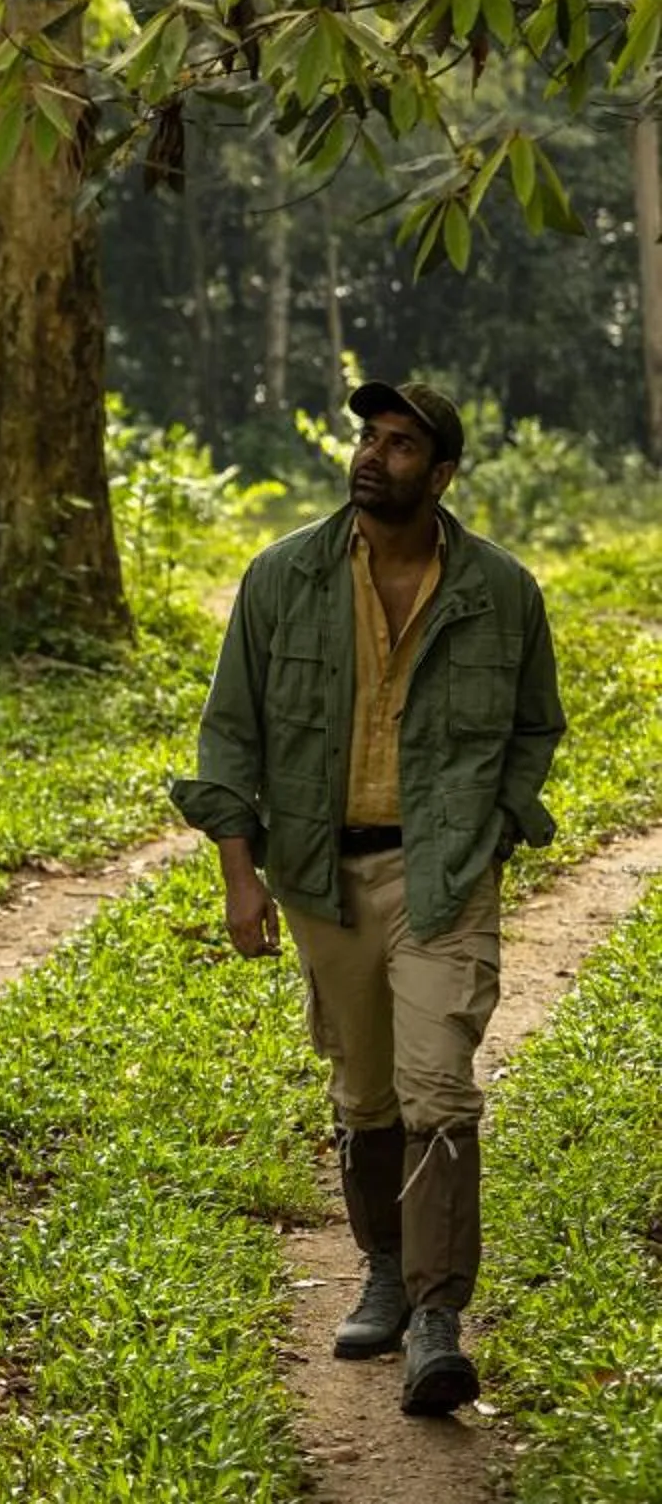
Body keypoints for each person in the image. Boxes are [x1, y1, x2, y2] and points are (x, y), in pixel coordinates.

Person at [171, 380, 564, 1418]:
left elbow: (535, 727)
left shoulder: (500, 591)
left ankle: (438, 1314)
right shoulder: (283, 578)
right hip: (320, 875)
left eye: (399, 446)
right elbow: (230, 736)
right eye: (368, 437)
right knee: (366, 1091)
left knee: (439, 1085)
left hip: (443, 872)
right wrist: (239, 876)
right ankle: (385, 1268)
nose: (372, 455)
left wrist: (498, 821)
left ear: (440, 476)